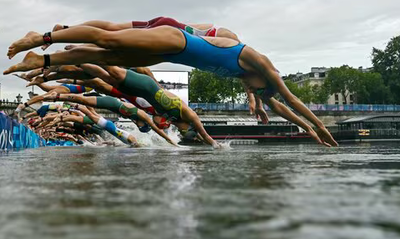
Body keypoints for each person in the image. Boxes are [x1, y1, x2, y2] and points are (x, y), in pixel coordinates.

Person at [4, 25, 338, 147]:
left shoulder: (251, 81)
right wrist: (319, 124)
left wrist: (307, 131)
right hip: (176, 38)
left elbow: (280, 105)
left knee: (112, 54)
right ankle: (44, 39)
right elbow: (290, 97)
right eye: (259, 91)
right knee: (109, 40)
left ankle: (44, 61)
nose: (255, 92)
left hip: (172, 54)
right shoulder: (259, 62)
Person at [42, 92, 178, 146]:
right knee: (89, 111)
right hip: (113, 104)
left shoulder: (139, 119)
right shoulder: (142, 116)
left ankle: (68, 103)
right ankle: (62, 97)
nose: (138, 126)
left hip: (113, 111)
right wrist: (169, 140)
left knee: (92, 115)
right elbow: (156, 129)